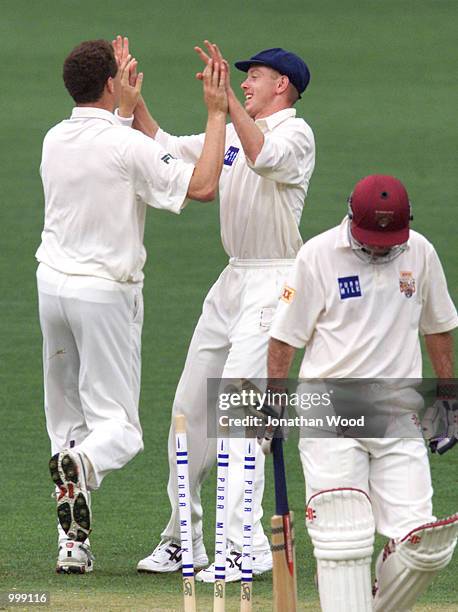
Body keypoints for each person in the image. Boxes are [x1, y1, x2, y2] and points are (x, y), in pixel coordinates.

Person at [36, 38, 228, 574]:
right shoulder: (126, 148)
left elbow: (111, 140)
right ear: (110, 84)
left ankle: (72, 546)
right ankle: (83, 465)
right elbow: (205, 185)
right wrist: (216, 115)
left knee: (66, 420)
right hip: (105, 295)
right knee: (118, 429)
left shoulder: (55, 138)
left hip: (51, 287)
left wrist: (124, 106)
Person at [128, 40, 316, 581]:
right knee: (189, 408)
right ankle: (181, 538)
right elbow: (162, 145)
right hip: (232, 279)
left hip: (276, 279)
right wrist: (134, 101)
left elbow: (263, 157)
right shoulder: (230, 134)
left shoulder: (295, 135)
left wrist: (226, 103)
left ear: (282, 84)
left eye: (252, 77)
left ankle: (247, 546)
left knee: (240, 410)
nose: (245, 85)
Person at [266, 174, 458, 611]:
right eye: (370, 239)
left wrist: (449, 399)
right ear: (351, 218)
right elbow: (284, 338)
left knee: (423, 546)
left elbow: (440, 327)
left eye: (387, 241)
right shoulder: (316, 255)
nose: (378, 249)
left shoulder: (421, 252)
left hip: (397, 412)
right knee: (342, 539)